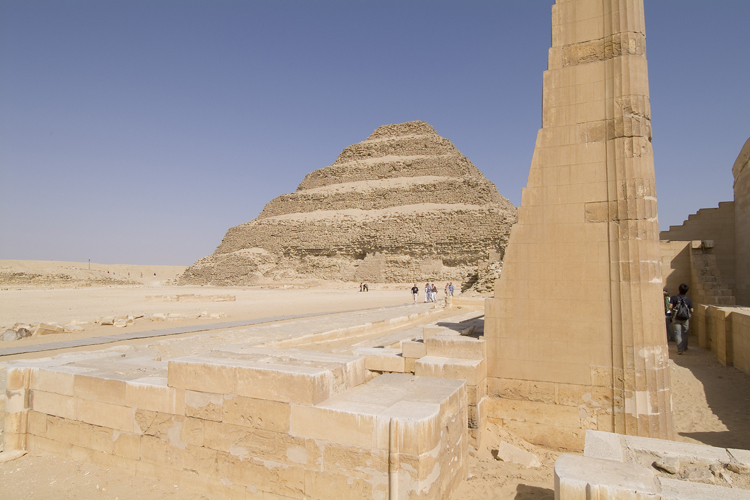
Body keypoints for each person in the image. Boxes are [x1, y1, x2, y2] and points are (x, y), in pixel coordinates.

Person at [669, 283, 694, 355]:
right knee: (685, 333)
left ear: (679, 289)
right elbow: (692, 310)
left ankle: (680, 350)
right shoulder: (688, 300)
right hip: (685, 319)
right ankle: (685, 347)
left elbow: (670, 306)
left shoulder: (674, 297)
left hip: (676, 317)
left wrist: (673, 311)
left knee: (677, 333)